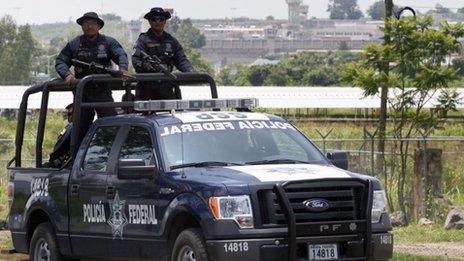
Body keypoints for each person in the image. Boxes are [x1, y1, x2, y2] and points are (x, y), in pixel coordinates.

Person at [55, 12, 129, 142]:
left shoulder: (108, 42)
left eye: (92, 23)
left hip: (102, 92)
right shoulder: (74, 44)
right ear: (82, 26)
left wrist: (123, 68)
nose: (89, 26)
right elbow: (61, 61)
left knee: (110, 125)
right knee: (80, 129)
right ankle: (77, 158)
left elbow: (121, 54)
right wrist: (67, 74)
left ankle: (109, 154)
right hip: (82, 92)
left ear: (99, 26)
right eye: (86, 23)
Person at [132, 7, 194, 100]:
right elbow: (136, 60)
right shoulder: (142, 40)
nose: (158, 22)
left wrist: (190, 71)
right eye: (154, 19)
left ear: (165, 22)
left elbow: (181, 60)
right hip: (147, 87)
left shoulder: (171, 41)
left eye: (161, 19)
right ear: (149, 22)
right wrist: (146, 65)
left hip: (166, 86)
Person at [48, 104, 74, 168]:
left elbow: (59, 146)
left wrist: (52, 159)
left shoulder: (72, 126)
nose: (68, 117)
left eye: (70, 114)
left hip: (67, 164)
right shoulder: (91, 127)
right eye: (67, 114)